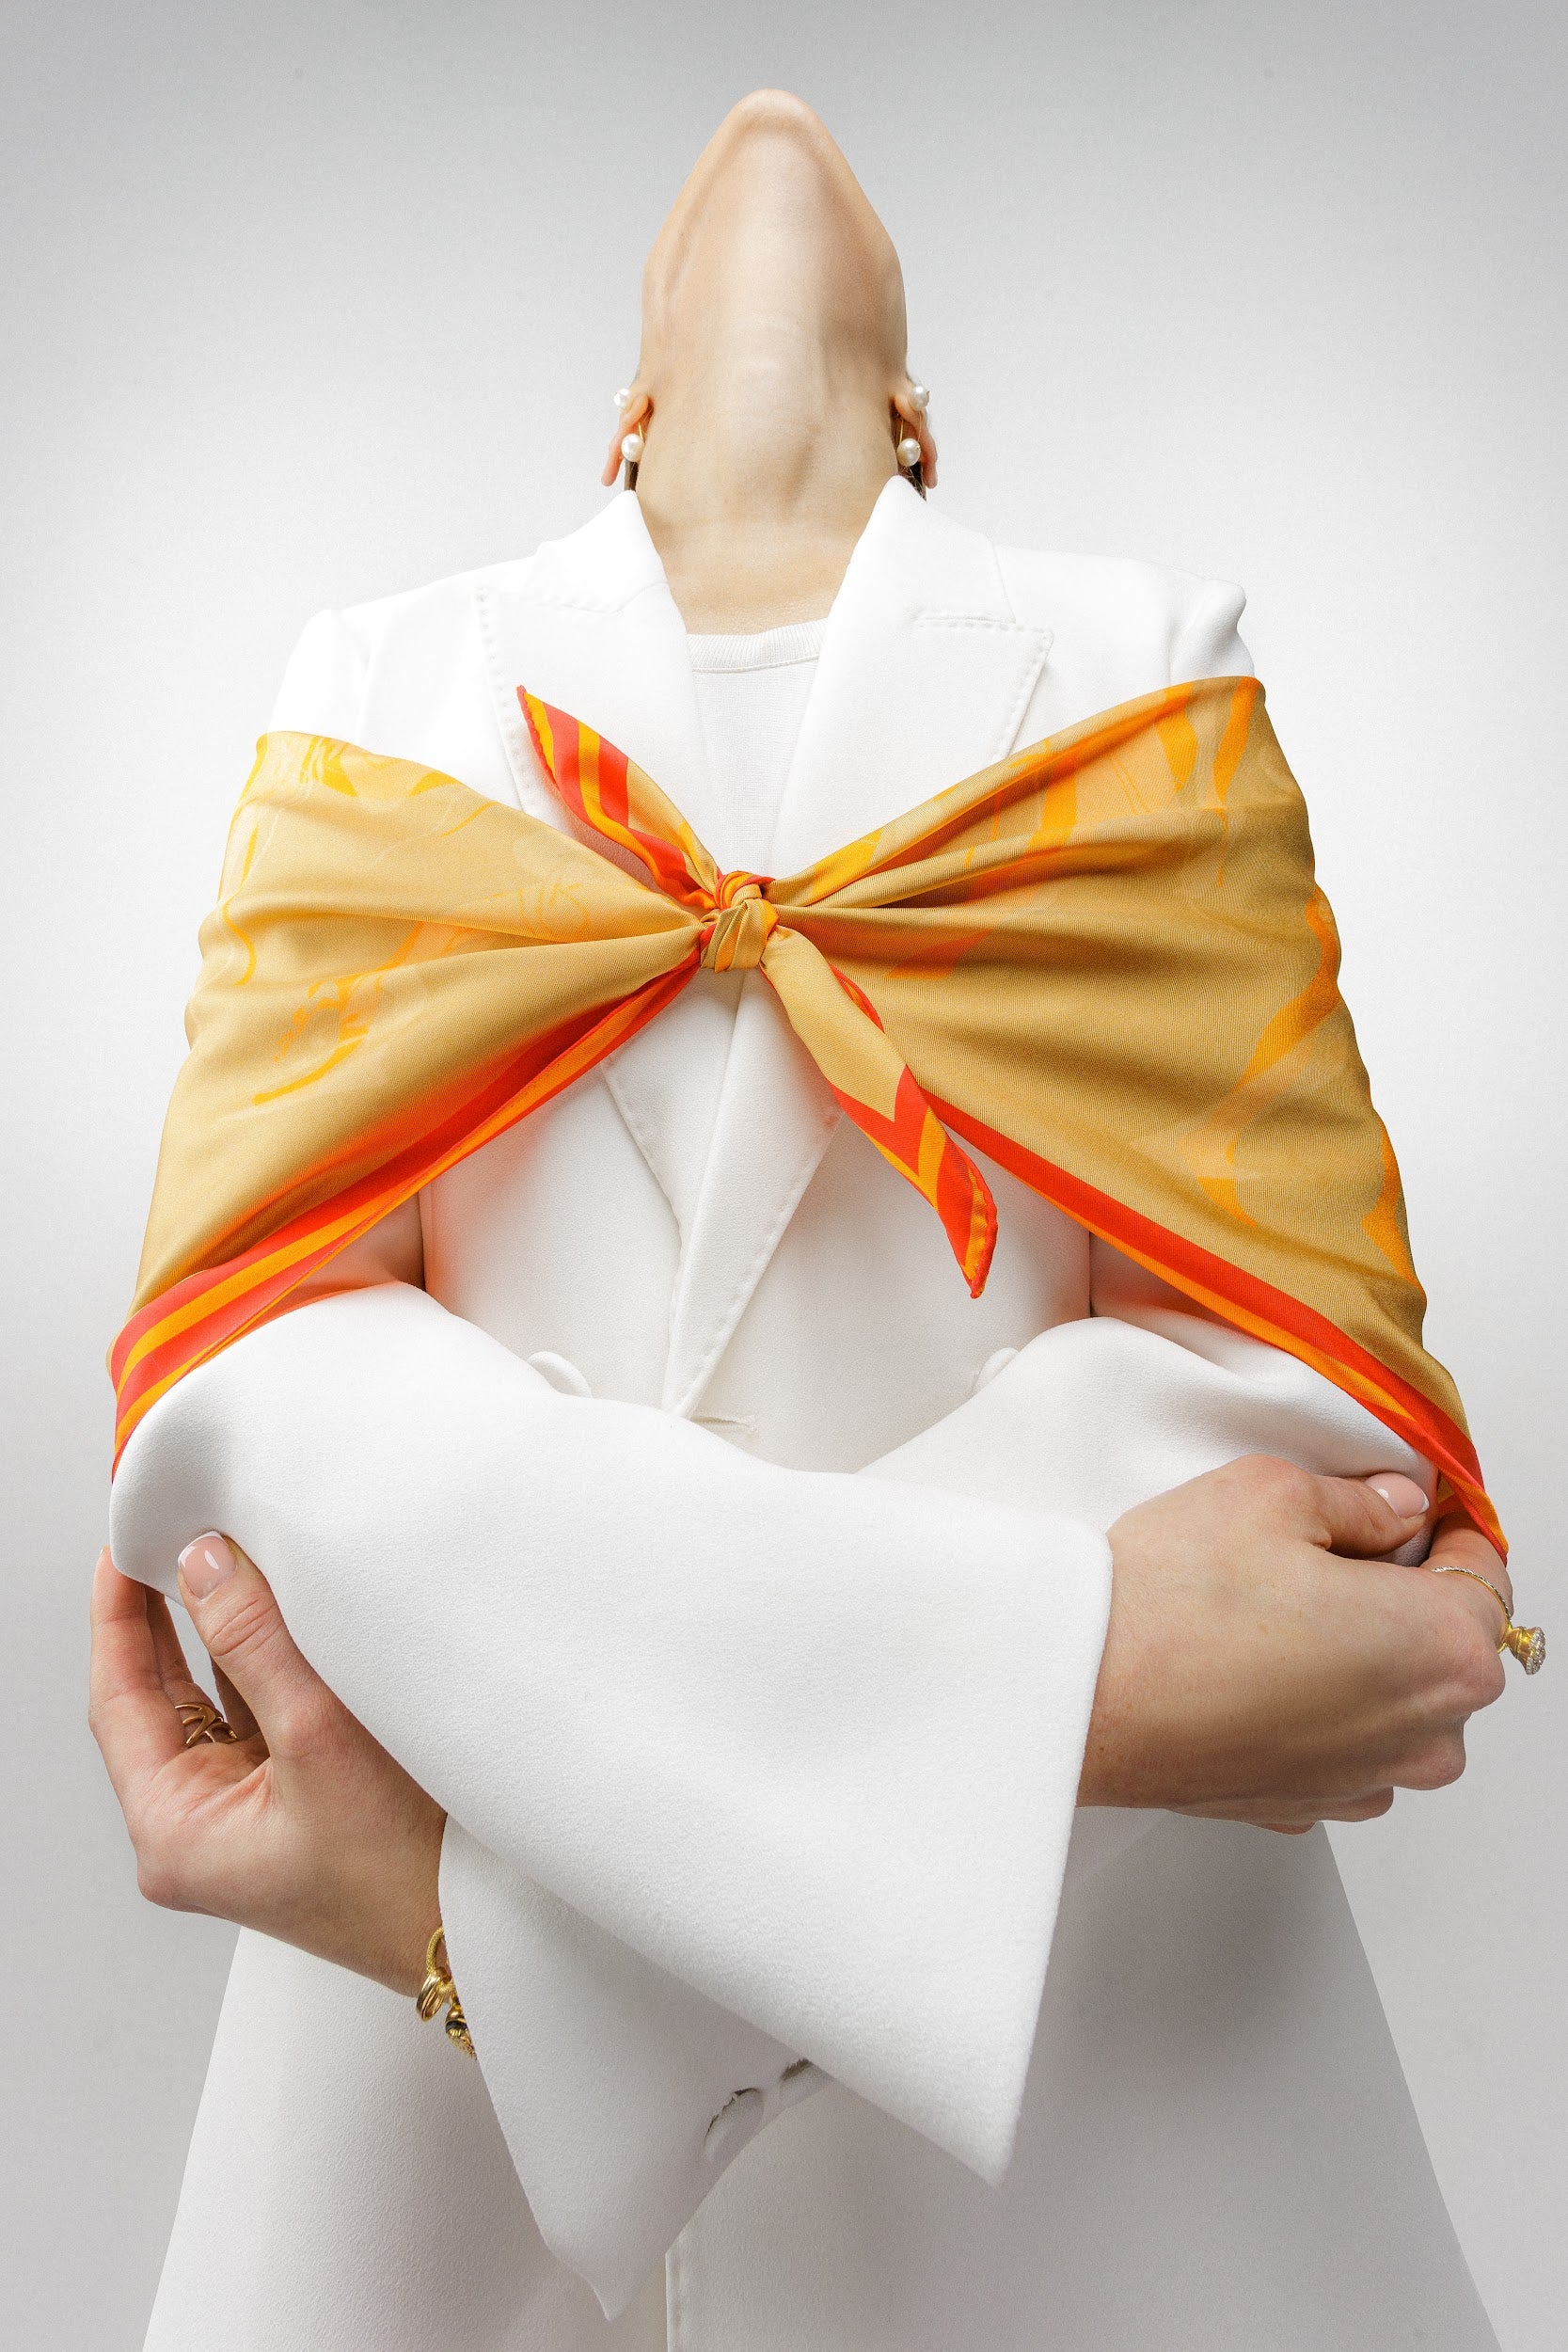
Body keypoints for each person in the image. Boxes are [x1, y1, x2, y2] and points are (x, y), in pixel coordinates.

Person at [93, 89, 1528, 2352]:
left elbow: (1293, 1409)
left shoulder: (1143, 654)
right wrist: (1086, 1667)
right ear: (626, 413)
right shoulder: (378, 675)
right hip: (408, 2209)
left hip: (1105, 2150)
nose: (773, 116)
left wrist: (516, 1935)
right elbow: (252, 1395)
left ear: (922, 424)